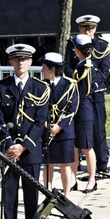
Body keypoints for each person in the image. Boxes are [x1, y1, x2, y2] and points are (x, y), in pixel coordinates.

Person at [0, 43, 50, 219]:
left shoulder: (40, 88)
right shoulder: (1, 87)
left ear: (30, 61)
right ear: (11, 61)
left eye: (24, 59)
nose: (20, 63)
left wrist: (23, 146)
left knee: (31, 196)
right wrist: (10, 146)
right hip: (8, 151)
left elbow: (40, 121)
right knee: (9, 196)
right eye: (17, 59)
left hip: (30, 150)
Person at [63, 14, 110, 175]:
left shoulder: (102, 45)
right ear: (79, 28)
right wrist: (78, 79)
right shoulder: (72, 44)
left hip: (96, 92)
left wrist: (90, 80)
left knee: (98, 128)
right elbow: (67, 66)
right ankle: (78, 163)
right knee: (79, 128)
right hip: (78, 92)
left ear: (95, 29)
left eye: (91, 28)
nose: (88, 31)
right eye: (85, 28)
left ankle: (102, 163)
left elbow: (104, 70)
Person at [39, 52, 78, 196]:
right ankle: (47, 194)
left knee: (64, 166)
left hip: (64, 131)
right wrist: (44, 124)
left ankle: (66, 196)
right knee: (47, 164)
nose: (42, 71)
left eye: (44, 68)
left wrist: (59, 126)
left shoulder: (70, 85)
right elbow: (38, 106)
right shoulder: (41, 85)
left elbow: (72, 109)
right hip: (46, 130)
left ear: (53, 69)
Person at [70, 34, 101, 193]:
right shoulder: (82, 65)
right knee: (75, 147)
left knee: (87, 147)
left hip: (84, 111)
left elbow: (82, 93)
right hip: (78, 111)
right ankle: (72, 179)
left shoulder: (86, 67)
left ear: (77, 49)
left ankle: (92, 180)